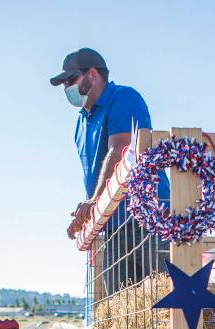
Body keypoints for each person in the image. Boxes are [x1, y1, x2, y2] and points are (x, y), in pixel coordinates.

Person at [49, 48, 169, 293]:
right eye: (63, 83)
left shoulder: (124, 98)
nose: (66, 88)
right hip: (112, 225)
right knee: (120, 307)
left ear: (92, 75)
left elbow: (121, 151)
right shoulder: (81, 122)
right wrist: (86, 215)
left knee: (165, 298)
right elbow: (95, 176)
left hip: (149, 219)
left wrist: (94, 201)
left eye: (71, 80)